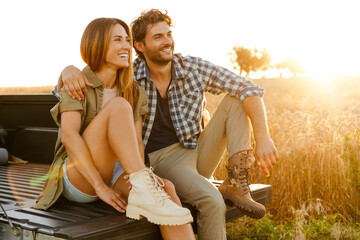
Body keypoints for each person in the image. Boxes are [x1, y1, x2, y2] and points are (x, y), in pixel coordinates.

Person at [58, 10, 279, 240]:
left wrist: (263, 138)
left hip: (180, 156)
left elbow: (248, 88)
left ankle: (235, 181)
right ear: (140, 46)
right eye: (158, 37)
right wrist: (67, 70)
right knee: (211, 199)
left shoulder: (156, 78)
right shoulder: (126, 76)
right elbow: (69, 119)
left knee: (234, 100)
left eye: (169, 35)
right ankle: (148, 184)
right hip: (135, 164)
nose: (167, 42)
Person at [35, 17, 195, 239]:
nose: (125, 46)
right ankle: (143, 187)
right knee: (119, 106)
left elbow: (137, 143)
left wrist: (139, 184)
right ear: (98, 45)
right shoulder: (77, 83)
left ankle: (146, 190)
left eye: (127, 40)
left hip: (119, 173)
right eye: (117, 40)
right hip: (80, 175)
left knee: (166, 188)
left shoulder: (134, 91)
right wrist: (100, 187)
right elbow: (70, 138)